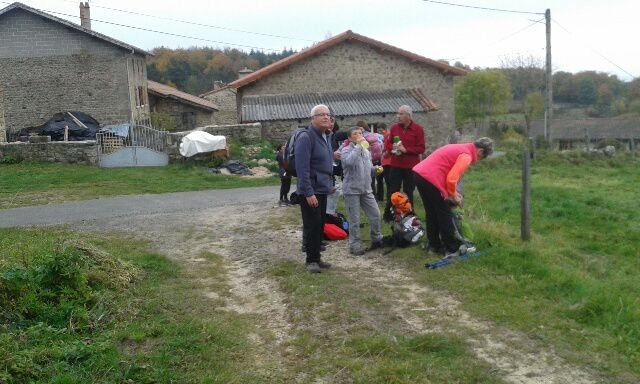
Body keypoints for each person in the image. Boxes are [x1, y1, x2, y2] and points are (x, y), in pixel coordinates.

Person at [412, 137, 494, 257]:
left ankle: (434, 245)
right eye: (481, 158)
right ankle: (451, 248)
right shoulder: (466, 155)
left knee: (431, 212)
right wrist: (454, 195)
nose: (477, 160)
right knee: (444, 213)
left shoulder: (459, 147)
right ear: (480, 151)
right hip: (431, 179)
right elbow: (451, 179)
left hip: (419, 174)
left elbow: (446, 172)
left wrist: (453, 192)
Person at [295, 104, 335, 273]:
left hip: (322, 188)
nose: (326, 117)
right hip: (311, 190)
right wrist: (308, 192)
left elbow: (324, 163)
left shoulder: (325, 136)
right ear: (313, 119)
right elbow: (302, 168)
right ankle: (311, 260)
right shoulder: (306, 137)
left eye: (327, 114)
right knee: (312, 225)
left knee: (320, 225)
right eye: (321, 115)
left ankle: (317, 257)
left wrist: (329, 183)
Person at [340, 127, 383, 255]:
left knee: (376, 215)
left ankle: (377, 239)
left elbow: (368, 169)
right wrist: (358, 146)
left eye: (360, 133)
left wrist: (375, 169)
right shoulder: (346, 150)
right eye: (355, 134)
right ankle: (355, 245)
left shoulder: (366, 151)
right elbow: (349, 163)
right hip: (352, 190)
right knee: (354, 220)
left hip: (366, 189)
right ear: (349, 138)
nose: (359, 135)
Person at [383, 105, 425, 221]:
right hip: (396, 165)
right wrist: (394, 147)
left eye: (401, 114)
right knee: (392, 190)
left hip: (411, 166)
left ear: (408, 116)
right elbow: (387, 144)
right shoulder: (395, 128)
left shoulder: (418, 129)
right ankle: (389, 215)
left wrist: (406, 150)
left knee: (408, 191)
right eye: (398, 113)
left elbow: (421, 148)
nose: (398, 116)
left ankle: (409, 215)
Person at [375, 122, 390, 201]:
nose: (380, 132)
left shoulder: (388, 136)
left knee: (388, 180)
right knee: (379, 178)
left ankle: (389, 198)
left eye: (381, 131)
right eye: (378, 131)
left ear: (385, 129)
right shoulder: (379, 137)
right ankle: (380, 197)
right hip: (380, 161)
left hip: (387, 162)